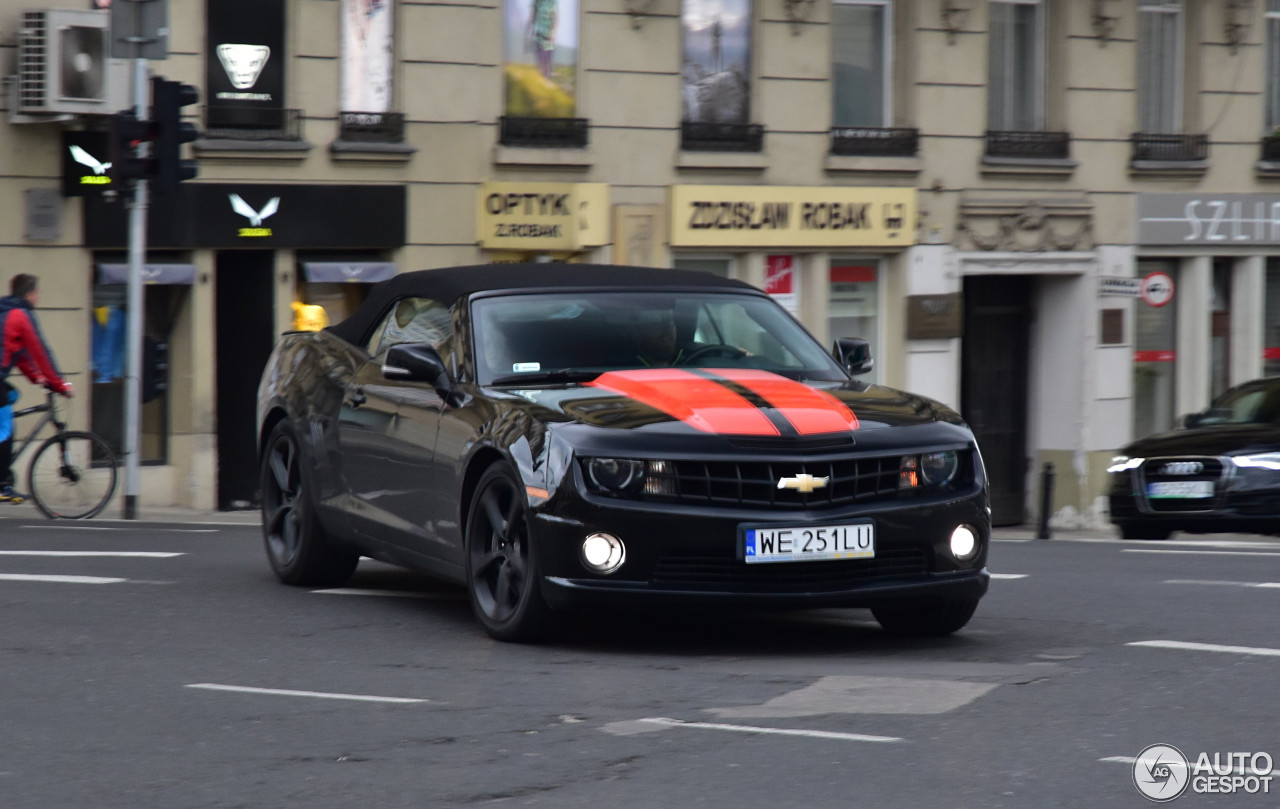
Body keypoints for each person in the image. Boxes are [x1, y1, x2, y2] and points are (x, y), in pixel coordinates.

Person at [0, 274, 74, 503]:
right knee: (5, 428)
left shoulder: (6, 311)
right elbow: (41, 351)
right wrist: (59, 384)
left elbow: (20, 353)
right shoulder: (21, 315)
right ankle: (2, 485)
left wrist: (38, 378)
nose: (38, 297)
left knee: (11, 395)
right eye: (37, 293)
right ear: (30, 294)